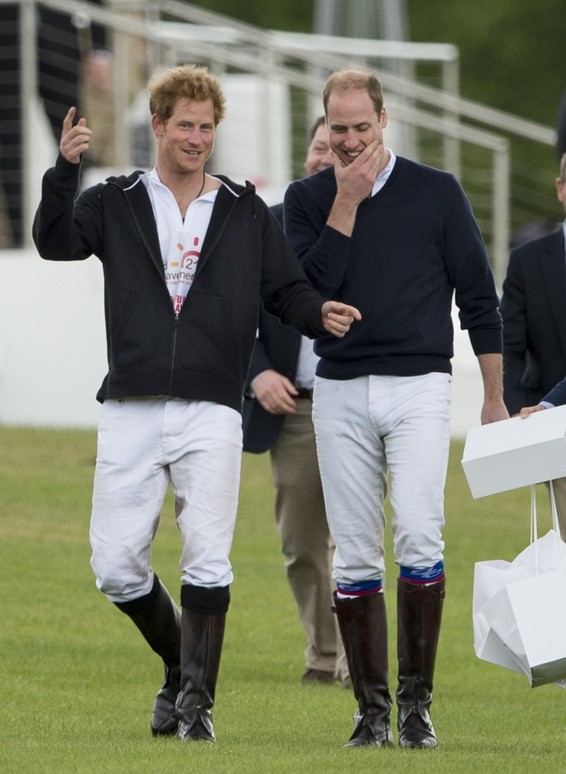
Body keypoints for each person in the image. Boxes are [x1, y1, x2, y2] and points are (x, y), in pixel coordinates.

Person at [32, 63, 360, 744]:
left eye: (207, 128)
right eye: (185, 125)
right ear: (157, 125)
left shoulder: (242, 209)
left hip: (214, 406)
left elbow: (285, 290)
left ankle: (196, 707)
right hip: (130, 404)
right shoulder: (115, 199)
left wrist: (316, 313)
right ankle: (181, 664)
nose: (197, 138)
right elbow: (54, 243)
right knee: (116, 566)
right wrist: (65, 172)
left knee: (207, 558)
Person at [283, 68, 508, 750]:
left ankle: (416, 708)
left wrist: (495, 398)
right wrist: (345, 203)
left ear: (385, 121)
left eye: (361, 128)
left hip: (419, 384)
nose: (349, 141)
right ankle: (371, 712)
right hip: (341, 388)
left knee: (418, 531)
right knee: (353, 553)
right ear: (324, 126)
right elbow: (306, 290)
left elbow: (478, 296)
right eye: (338, 130)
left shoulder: (436, 192)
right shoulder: (305, 198)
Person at [243, 116, 350, 688]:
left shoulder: (379, 228)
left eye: (333, 151)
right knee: (303, 542)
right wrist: (257, 372)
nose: (321, 159)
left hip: (359, 397)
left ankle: (360, 662)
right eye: (316, 148)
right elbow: (230, 311)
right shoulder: (267, 225)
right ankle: (323, 654)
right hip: (295, 410)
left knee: (357, 537)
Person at [0, 1, 110, 246]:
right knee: (10, 147)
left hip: (59, 39)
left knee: (75, 137)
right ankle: (19, 236)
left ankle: (73, 224)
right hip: (2, 41)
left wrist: (99, 50)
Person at [501, 152, 566, 535]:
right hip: (555, 434)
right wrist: (514, 412)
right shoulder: (526, 261)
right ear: (560, 189)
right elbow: (509, 344)